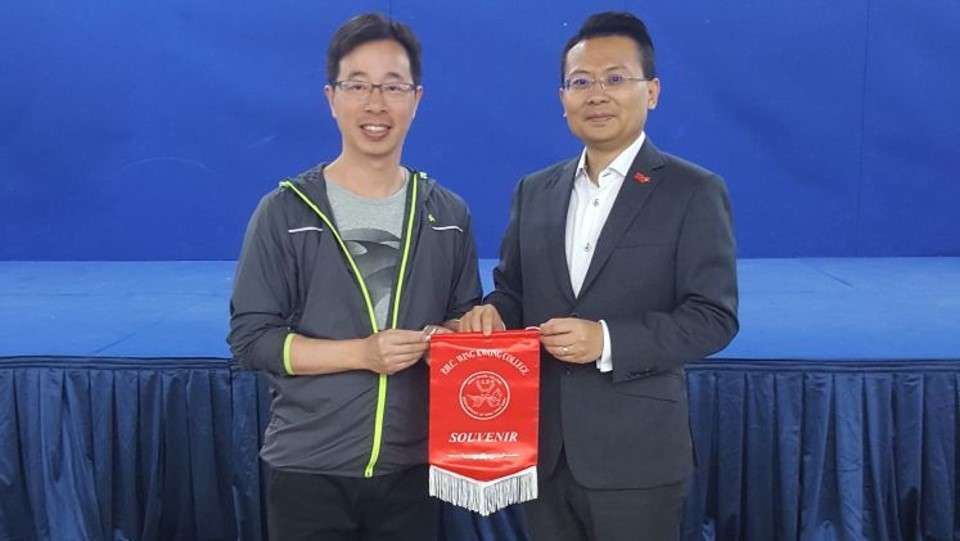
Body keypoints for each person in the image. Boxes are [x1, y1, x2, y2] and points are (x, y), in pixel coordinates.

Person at [459, 11, 739, 540]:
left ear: (651, 91)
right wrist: (493, 313)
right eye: (581, 82)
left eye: (615, 78)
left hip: (637, 458)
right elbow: (514, 290)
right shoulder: (534, 191)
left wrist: (605, 340)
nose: (597, 95)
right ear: (562, 97)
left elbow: (713, 318)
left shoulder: (692, 191)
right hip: (543, 451)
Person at [228, 13, 481, 540]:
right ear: (331, 97)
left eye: (392, 86)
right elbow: (253, 341)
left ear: (416, 99)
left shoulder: (448, 213)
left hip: (414, 470)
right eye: (358, 85)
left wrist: (458, 335)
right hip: (309, 467)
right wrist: (363, 354)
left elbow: (461, 320)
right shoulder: (285, 212)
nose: (375, 104)